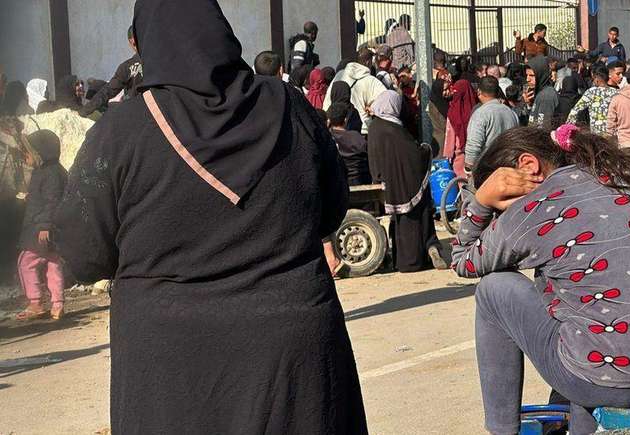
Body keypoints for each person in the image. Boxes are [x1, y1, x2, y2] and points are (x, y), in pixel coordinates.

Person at [54, 1, 367, 432]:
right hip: (293, 356)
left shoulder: (118, 133)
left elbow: (82, 251)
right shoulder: (290, 108)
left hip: (170, 365)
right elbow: (331, 207)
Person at [451, 125, 630, 435]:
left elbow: (463, 260)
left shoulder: (534, 205)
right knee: (585, 322)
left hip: (604, 381)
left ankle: (502, 429)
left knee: (494, 289)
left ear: (527, 166)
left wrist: (480, 202)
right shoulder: (624, 181)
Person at [367, 91, 446, 272]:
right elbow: (413, 156)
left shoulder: (375, 127)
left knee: (402, 221)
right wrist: (425, 150)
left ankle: (415, 254)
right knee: (420, 210)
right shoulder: (394, 129)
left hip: (384, 184)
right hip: (403, 185)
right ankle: (426, 249)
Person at [15, 130, 68, 321]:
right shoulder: (57, 171)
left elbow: (52, 200)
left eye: (27, 153)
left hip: (41, 229)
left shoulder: (47, 173)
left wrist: (44, 224)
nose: (24, 157)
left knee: (26, 262)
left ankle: (35, 302)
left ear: (40, 154)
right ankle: (57, 303)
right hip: (56, 228)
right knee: (53, 263)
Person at [80, 26, 144, 117]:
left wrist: (84, 111)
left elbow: (108, 91)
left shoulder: (127, 67)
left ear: (131, 42)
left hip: (137, 115)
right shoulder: (162, 61)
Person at [323, 47, 387, 135]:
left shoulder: (340, 75)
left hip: (336, 127)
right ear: (368, 62)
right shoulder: (371, 81)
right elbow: (386, 101)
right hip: (362, 129)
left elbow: (327, 100)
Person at [464, 76, 519, 172]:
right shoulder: (511, 113)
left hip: (488, 170)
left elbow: (473, 145)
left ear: (479, 92)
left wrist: (468, 169)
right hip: (509, 168)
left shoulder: (480, 114)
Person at [328, 102, 371, 186]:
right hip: (359, 180)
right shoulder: (355, 137)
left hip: (336, 183)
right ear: (345, 120)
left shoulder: (327, 138)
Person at [567, 67, 619, 135]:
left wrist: (568, 127)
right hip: (612, 133)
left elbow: (575, 110)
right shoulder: (616, 92)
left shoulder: (591, 92)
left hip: (596, 135)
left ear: (596, 79)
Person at [443, 79, 476, 178]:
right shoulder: (477, 110)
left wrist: (447, 154)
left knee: (461, 184)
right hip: (476, 153)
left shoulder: (453, 112)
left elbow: (450, 135)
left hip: (459, 153)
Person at [524, 56, 559, 130]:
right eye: (527, 75)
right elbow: (533, 120)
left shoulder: (546, 96)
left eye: (532, 76)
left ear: (541, 75)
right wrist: (529, 105)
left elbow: (543, 128)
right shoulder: (540, 93)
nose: (527, 79)